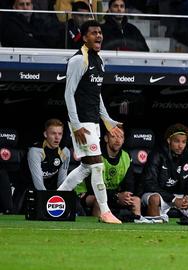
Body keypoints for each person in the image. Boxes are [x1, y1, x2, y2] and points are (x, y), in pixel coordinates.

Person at [57, 20, 123, 224]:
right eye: (94, 33)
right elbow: (68, 94)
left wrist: (108, 121)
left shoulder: (100, 60)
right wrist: (75, 125)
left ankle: (54, 198)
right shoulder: (79, 60)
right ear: (85, 37)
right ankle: (105, 211)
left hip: (93, 121)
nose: (99, 36)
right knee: (97, 166)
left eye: (100, 32)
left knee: (87, 166)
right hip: (82, 123)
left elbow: (97, 95)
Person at [142, 123, 188, 223]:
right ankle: (155, 230)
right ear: (169, 140)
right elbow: (149, 183)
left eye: (183, 142)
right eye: (176, 141)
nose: (180, 146)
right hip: (161, 195)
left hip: (181, 196)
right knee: (154, 199)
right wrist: (173, 199)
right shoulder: (157, 154)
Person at [79, 127, 151, 223]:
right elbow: (92, 187)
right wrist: (116, 196)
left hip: (114, 195)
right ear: (106, 138)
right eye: (113, 136)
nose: (118, 140)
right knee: (99, 200)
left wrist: (125, 196)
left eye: (121, 137)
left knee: (136, 200)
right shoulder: (95, 155)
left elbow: (129, 185)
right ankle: (96, 229)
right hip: (88, 194)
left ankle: (136, 232)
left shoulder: (126, 156)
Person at [27, 118, 70, 191]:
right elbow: (38, 183)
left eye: (60, 134)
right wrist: (45, 198)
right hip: (28, 183)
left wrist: (61, 195)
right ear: (45, 134)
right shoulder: (35, 151)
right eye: (53, 133)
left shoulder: (65, 152)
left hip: (49, 184)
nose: (57, 137)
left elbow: (62, 181)